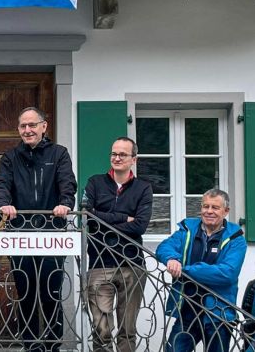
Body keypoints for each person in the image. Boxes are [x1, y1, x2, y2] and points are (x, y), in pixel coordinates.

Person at [0, 107, 77, 352]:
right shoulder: (10, 157)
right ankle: (30, 344)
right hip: (20, 234)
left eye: (32, 125)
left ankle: (53, 345)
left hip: (52, 233)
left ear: (44, 126)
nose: (27, 130)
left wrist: (65, 204)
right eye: (23, 126)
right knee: (26, 292)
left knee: (51, 291)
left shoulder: (59, 153)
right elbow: (2, 185)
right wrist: (3, 204)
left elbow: (67, 183)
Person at [155, 189, 246, 352]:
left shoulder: (236, 239)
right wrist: (172, 259)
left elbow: (227, 273)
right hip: (187, 309)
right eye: (206, 206)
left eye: (215, 207)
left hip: (219, 314)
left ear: (226, 211)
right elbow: (164, 247)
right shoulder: (187, 229)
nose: (209, 211)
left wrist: (185, 270)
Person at [84, 137, 153, 352]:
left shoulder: (143, 188)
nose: (116, 158)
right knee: (100, 328)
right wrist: (124, 217)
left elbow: (140, 226)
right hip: (99, 262)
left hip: (132, 264)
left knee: (127, 329)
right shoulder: (95, 182)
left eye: (122, 154)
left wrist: (104, 219)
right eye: (114, 153)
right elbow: (87, 217)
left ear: (134, 159)